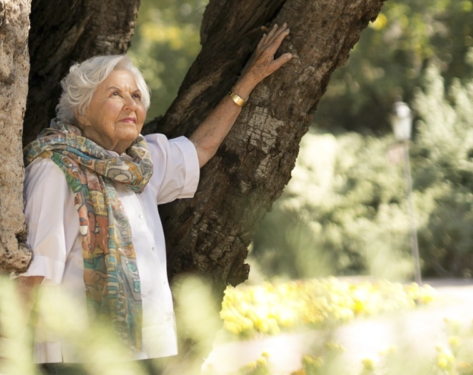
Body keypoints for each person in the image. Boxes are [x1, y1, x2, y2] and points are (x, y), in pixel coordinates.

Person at [18, 23, 292, 374]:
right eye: (115, 94)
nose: (130, 104)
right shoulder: (55, 168)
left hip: (145, 351)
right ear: (82, 111)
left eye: (136, 96)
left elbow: (201, 147)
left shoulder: (141, 162)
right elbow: (33, 274)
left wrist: (249, 80)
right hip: (78, 355)